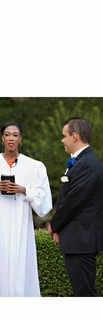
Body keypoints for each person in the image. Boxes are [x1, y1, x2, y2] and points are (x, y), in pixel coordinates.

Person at [0, 122, 52, 296]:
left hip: (23, 224)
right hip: (1, 223)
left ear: (20, 139)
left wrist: (24, 190)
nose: (11, 138)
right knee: (2, 262)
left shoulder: (35, 166)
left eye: (15, 134)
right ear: (2, 138)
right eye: (7, 134)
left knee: (23, 265)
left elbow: (45, 201)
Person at [48, 116, 103, 296]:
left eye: (64, 135)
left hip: (82, 240)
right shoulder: (81, 161)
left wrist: (54, 224)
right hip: (79, 239)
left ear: (74, 136)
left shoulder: (87, 164)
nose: (62, 140)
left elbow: (73, 201)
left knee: (85, 293)